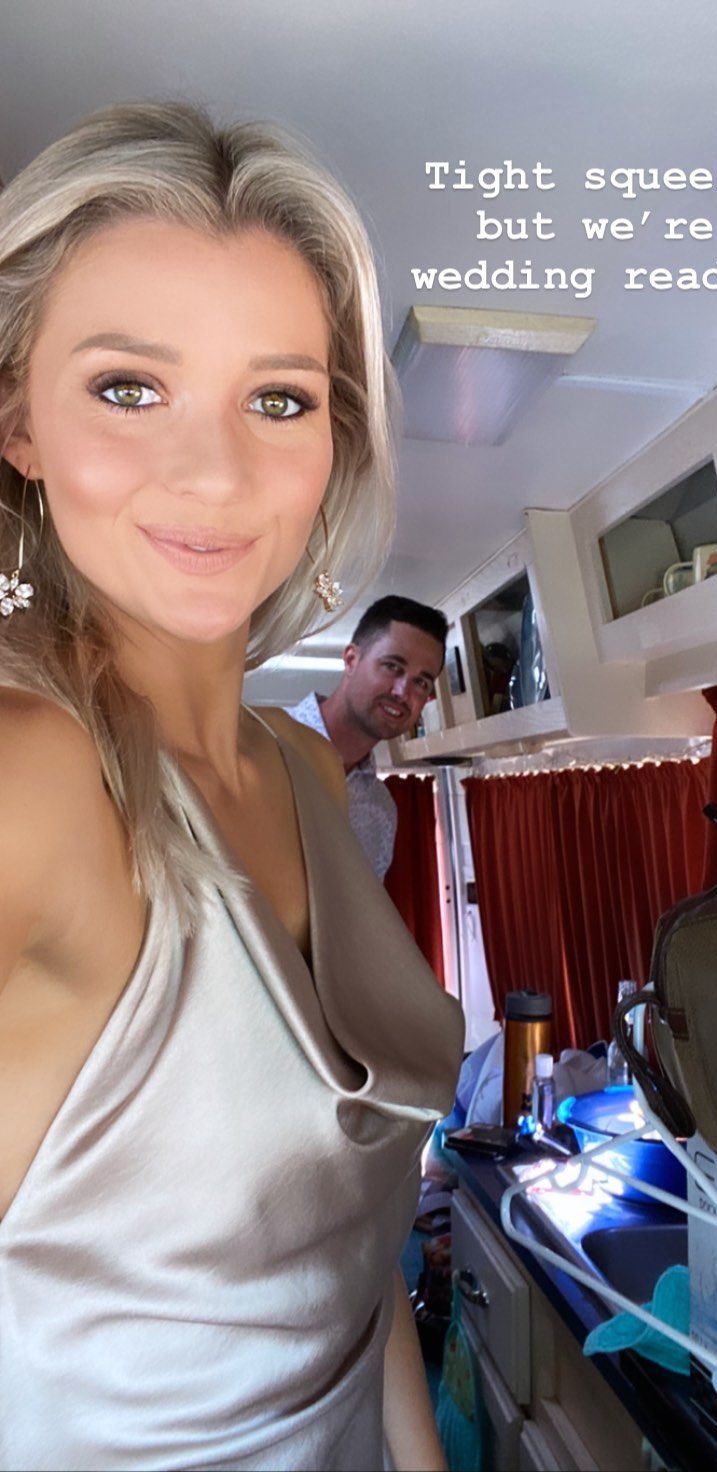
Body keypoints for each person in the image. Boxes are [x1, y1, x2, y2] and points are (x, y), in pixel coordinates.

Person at [0, 101, 463, 1472]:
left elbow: (350, 1245)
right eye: (127, 387)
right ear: (18, 420)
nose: (214, 471)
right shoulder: (33, 782)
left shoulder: (304, 768)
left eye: (279, 398)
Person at [288, 595, 448, 879]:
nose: (402, 693)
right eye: (392, 666)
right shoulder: (260, 741)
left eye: (421, 682)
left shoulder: (380, 811)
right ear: (351, 660)